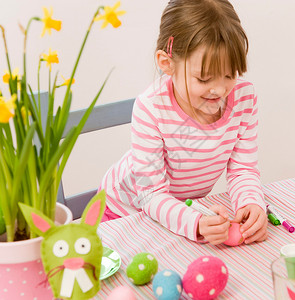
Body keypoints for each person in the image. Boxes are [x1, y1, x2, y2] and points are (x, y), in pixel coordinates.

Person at [100, 0, 268, 245]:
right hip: (124, 211)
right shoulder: (151, 107)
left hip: (176, 210)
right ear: (167, 64)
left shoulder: (243, 98)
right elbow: (151, 195)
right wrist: (195, 222)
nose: (220, 90)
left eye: (230, 75)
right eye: (204, 78)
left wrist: (251, 202)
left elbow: (243, 169)